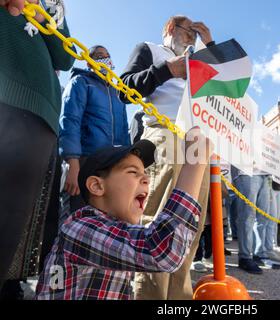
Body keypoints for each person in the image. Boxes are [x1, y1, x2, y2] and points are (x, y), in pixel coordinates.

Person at [36, 128, 213, 300]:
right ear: (97, 186)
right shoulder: (80, 228)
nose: (146, 179)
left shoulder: (117, 229)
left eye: (145, 174)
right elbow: (164, 251)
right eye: (133, 172)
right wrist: (194, 165)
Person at [119, 16, 215, 299]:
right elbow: (125, 88)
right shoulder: (149, 49)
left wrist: (211, 45)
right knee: (159, 217)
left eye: (198, 36)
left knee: (190, 224)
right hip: (164, 132)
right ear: (171, 29)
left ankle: (178, 297)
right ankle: (149, 295)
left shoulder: (199, 61)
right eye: (190, 32)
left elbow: (226, 89)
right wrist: (168, 71)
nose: (193, 39)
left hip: (197, 142)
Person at [0, 0, 74, 295]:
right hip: (8, 101)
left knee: (15, 228)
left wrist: (49, 11)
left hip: (41, 117)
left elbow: (65, 58)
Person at [59, 45, 130, 220]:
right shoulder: (81, 83)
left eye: (107, 55)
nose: (104, 58)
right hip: (86, 161)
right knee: (78, 217)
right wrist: (72, 163)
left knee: (107, 220)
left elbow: (125, 134)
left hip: (112, 166)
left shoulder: (117, 94)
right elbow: (70, 120)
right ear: (89, 62)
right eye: (98, 55)